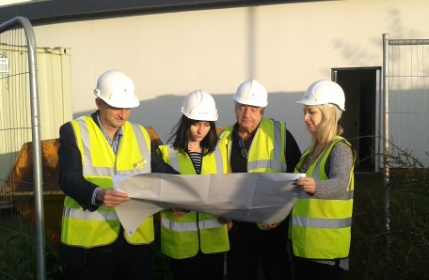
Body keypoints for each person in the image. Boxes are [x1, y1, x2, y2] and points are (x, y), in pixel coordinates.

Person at [58, 69, 178, 280]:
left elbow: (161, 171)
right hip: (90, 244)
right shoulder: (74, 131)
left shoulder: (140, 134)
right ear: (99, 103)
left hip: (136, 243)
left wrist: (187, 192)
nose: (123, 114)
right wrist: (98, 194)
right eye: (116, 108)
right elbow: (68, 178)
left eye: (128, 108)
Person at [218, 79, 301, 280]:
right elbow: (217, 181)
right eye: (242, 107)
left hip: (273, 224)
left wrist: (281, 214)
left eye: (254, 109)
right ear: (235, 108)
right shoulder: (223, 139)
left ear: (262, 111)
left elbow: (297, 178)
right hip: (238, 225)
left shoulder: (280, 135)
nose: (247, 114)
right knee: (240, 273)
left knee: (277, 271)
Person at [156, 90, 231, 280]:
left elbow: (228, 191)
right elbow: (154, 196)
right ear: (186, 122)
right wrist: (170, 207)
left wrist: (229, 214)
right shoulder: (166, 155)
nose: (201, 130)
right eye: (196, 123)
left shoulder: (220, 153)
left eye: (206, 124)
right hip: (181, 245)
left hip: (214, 241)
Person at [291, 80, 356, 280]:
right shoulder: (311, 151)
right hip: (304, 248)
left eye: (311, 112)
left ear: (328, 114)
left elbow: (339, 184)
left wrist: (315, 186)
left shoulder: (340, 149)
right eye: (304, 112)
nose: (305, 118)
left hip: (326, 253)